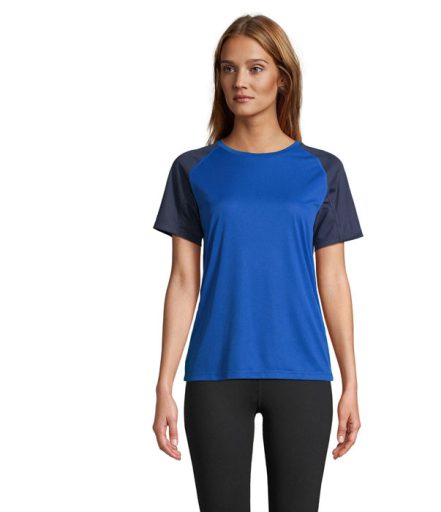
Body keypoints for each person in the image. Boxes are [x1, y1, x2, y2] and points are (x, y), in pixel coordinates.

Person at [152, 14, 363, 512]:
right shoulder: (192, 169)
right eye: (228, 69)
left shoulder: (323, 170)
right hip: (215, 373)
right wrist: (163, 383)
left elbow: (334, 280)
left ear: (282, 78)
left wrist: (351, 381)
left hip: (303, 372)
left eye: (255, 68)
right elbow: (183, 281)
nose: (239, 81)